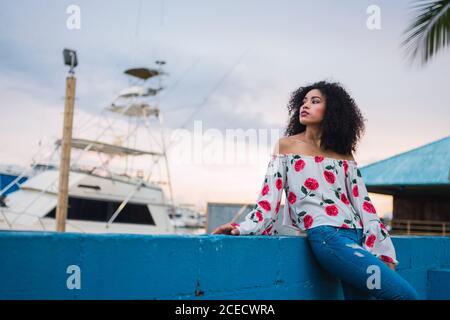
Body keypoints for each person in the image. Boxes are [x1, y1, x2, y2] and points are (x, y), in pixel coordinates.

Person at [212, 81, 419, 300]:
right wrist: (240, 228)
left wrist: (382, 247)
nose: (306, 105)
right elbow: (268, 199)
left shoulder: (344, 153)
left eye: (315, 101)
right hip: (329, 239)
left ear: (332, 110)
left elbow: (364, 204)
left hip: (358, 237)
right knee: (405, 296)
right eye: (304, 101)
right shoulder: (286, 146)